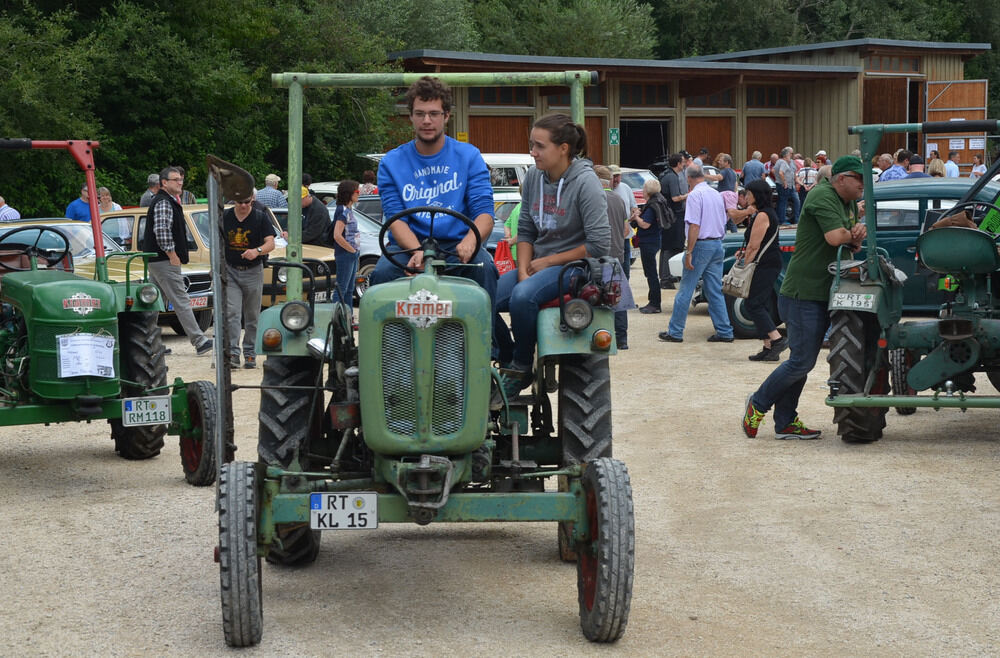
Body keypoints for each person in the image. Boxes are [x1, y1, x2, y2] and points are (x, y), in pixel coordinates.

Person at [742, 155, 867, 440]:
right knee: (801, 361)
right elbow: (836, 238)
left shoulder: (846, 201)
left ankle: (785, 422)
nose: (864, 185)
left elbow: (852, 243)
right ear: (842, 178)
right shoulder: (823, 196)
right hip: (803, 294)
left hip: (823, 292)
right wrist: (852, 233)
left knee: (803, 360)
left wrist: (856, 234)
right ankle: (757, 403)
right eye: (860, 179)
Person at [494, 113, 609, 395]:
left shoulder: (586, 183)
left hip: (574, 266)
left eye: (539, 146)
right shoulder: (534, 177)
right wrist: (522, 269)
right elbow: (526, 228)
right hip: (536, 264)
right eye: (532, 145)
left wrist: (546, 261)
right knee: (482, 297)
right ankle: (507, 356)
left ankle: (522, 366)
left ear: (563, 149)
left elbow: (599, 244)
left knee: (523, 297)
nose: (533, 152)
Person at [372, 76, 496, 298]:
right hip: (408, 245)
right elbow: (396, 219)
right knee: (382, 273)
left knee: (484, 268)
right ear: (410, 116)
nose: (426, 120)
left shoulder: (469, 156)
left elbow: (485, 213)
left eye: (434, 114)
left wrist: (470, 241)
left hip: (456, 246)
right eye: (420, 114)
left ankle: (488, 332)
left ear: (446, 116)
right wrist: (417, 251)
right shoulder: (391, 163)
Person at [658, 166, 733, 343]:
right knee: (715, 290)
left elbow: (694, 225)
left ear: (689, 179)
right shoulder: (715, 194)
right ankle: (724, 330)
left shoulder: (694, 196)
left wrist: (689, 251)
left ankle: (675, 331)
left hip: (701, 245)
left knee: (686, 289)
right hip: (717, 243)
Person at [143, 167, 213, 355]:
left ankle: (149, 344)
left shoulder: (166, 201)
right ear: (164, 183)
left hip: (157, 260)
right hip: (165, 260)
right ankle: (200, 342)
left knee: (153, 304)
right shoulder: (164, 202)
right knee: (181, 300)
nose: (180, 182)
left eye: (181, 179)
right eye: (175, 179)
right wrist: (172, 255)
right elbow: (162, 231)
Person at [222, 190, 274, 369]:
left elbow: (271, 243)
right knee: (232, 313)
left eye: (247, 202)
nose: (243, 206)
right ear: (233, 201)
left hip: (253, 271)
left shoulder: (260, 217)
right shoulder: (225, 216)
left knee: (252, 315)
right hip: (231, 270)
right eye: (239, 202)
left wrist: (257, 251)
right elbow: (216, 241)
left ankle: (250, 352)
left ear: (252, 200)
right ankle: (233, 353)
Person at [739, 179, 786, 362]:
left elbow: (754, 246)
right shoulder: (766, 213)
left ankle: (776, 339)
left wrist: (746, 266)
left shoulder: (763, 215)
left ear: (757, 195)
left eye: (749, 193)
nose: (746, 196)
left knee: (753, 304)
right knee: (762, 303)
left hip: (764, 264)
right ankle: (768, 346)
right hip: (769, 262)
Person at [595, 165, 629, 349]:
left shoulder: (595, 199)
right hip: (617, 255)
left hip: (599, 257)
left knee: (598, 298)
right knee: (618, 297)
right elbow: (625, 230)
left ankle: (602, 336)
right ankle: (622, 339)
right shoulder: (619, 200)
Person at [636, 178, 669, 315]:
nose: (642, 192)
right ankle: (653, 302)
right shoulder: (659, 200)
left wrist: (636, 217)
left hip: (648, 241)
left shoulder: (651, 206)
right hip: (655, 239)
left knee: (651, 274)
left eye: (644, 189)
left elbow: (645, 224)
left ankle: (654, 303)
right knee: (651, 273)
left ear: (647, 191)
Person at [658, 153, 688, 289]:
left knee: (666, 247)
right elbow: (676, 198)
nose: (685, 164)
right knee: (671, 247)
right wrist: (689, 195)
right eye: (683, 162)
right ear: (678, 164)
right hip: (674, 216)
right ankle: (666, 278)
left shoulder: (665, 174)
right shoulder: (672, 177)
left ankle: (665, 276)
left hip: (668, 217)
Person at [330, 180, 361, 305]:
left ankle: (348, 317)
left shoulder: (348, 210)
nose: (359, 194)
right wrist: (351, 250)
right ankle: (338, 318)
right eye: (357, 191)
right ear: (349, 194)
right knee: (341, 289)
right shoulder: (342, 211)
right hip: (345, 254)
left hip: (351, 253)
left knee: (349, 289)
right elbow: (337, 235)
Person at [774, 147, 800, 225]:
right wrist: (784, 182)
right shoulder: (782, 162)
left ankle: (795, 219)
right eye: (791, 153)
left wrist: (798, 182)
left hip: (791, 185)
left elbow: (794, 173)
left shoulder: (790, 162)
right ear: (786, 154)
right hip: (785, 186)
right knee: (783, 202)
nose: (792, 155)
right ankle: (782, 220)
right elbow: (781, 172)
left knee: (794, 201)